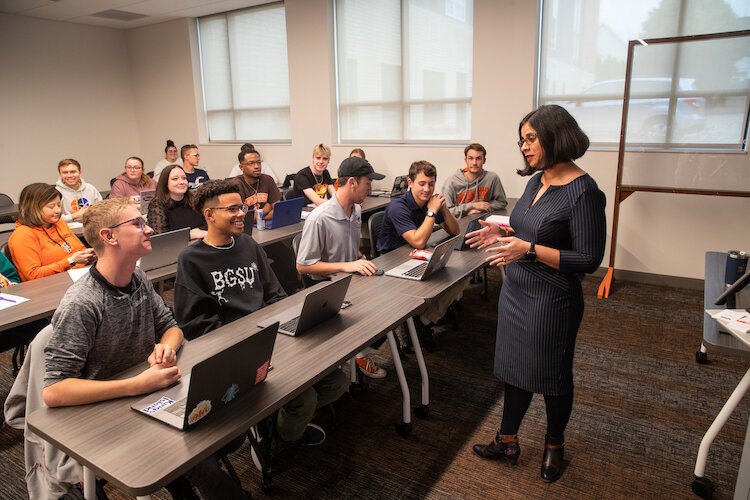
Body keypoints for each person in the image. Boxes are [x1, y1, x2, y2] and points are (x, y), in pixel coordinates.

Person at [42, 197, 245, 499]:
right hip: (107, 411)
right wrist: (135, 385)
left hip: (149, 390)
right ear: (108, 236)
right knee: (203, 462)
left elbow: (172, 327)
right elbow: (54, 391)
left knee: (228, 417)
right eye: (137, 223)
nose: (149, 229)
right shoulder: (83, 303)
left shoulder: (136, 277)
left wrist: (166, 347)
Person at [469, 104, 606, 483]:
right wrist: (505, 235)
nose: (524, 147)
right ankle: (507, 439)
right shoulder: (537, 180)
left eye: (531, 138)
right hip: (516, 290)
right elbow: (531, 230)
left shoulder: (584, 192)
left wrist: (527, 250)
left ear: (555, 135)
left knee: (552, 375)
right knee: (514, 369)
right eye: (522, 140)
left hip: (552, 300)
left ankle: (554, 445)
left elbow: (588, 259)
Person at [175, 179, 348, 446]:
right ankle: (279, 440)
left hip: (272, 334)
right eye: (232, 209)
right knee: (305, 398)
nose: (241, 214)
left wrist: (286, 327)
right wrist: (249, 343)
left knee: (336, 381)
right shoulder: (192, 259)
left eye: (241, 207)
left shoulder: (247, 244)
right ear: (209, 215)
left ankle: (273, 416)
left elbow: (275, 294)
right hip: (236, 348)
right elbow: (197, 326)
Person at [296, 156, 389, 378]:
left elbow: (347, 245)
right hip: (328, 286)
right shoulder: (320, 218)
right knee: (373, 312)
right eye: (368, 183)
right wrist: (348, 265)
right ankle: (356, 354)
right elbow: (302, 266)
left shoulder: (355, 210)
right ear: (352, 182)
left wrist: (358, 257)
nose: (370, 188)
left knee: (389, 305)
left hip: (352, 278)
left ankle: (359, 351)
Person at [376, 160, 462, 349]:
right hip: (393, 262)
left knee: (458, 277)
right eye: (422, 183)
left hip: (416, 256)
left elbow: (455, 231)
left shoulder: (428, 202)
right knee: (441, 280)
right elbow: (418, 241)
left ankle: (423, 320)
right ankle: (415, 322)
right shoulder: (398, 206)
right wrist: (432, 212)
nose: (427, 189)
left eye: (431, 184)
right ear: (410, 183)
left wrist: (444, 209)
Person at [232, 148, 300, 294]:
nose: (256, 166)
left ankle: (290, 291)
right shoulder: (236, 185)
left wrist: (263, 213)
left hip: (268, 233)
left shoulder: (267, 179)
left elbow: (279, 208)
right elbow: (243, 217)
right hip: (247, 236)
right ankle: (271, 294)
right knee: (262, 263)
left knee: (288, 257)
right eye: (251, 163)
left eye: (258, 162)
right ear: (241, 167)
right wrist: (266, 208)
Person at [9, 183, 95, 281]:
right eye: (51, 207)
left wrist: (89, 255)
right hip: (50, 286)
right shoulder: (23, 234)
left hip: (78, 276)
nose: (58, 210)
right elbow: (33, 275)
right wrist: (70, 261)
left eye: (59, 205)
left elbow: (80, 249)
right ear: (33, 208)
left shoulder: (60, 224)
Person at [442, 143, 508, 218]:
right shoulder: (451, 183)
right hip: (459, 225)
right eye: (470, 158)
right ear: (465, 160)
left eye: (478, 158)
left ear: (484, 160)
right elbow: (446, 212)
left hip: (483, 221)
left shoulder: (492, 178)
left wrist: (481, 209)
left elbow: (502, 202)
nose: (474, 163)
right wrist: (472, 206)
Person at [147, 164, 207, 240]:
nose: (181, 182)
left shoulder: (195, 199)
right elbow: (160, 238)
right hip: (176, 249)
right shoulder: (156, 205)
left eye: (184, 178)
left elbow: (209, 224)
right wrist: (189, 235)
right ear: (165, 182)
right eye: (175, 179)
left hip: (202, 244)